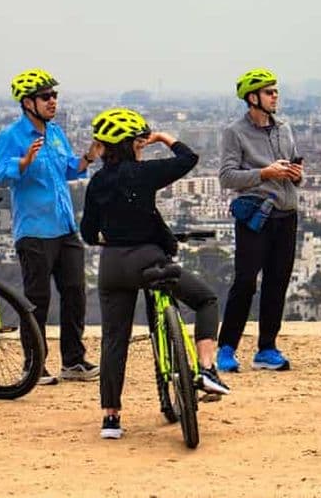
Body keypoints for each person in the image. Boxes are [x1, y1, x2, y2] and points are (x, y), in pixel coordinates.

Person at [80, 107, 229, 440]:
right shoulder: (143, 173)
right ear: (131, 143)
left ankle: (111, 418)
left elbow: (88, 233)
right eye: (139, 141)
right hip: (149, 259)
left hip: (112, 267)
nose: (141, 145)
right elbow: (188, 158)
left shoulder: (97, 183)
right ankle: (207, 370)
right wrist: (162, 137)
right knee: (206, 299)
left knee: (113, 339)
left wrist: (112, 239)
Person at [0, 68, 100, 385]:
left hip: (65, 226)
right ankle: (33, 365)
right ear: (27, 102)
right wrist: (21, 164)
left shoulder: (54, 133)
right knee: (36, 301)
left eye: (54, 95)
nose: (53, 101)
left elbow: (67, 169)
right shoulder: (11, 136)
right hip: (35, 230)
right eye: (45, 96)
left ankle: (73, 361)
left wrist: (88, 158)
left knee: (75, 295)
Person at [217, 68, 302, 373]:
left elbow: (294, 167)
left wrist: (295, 174)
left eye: (275, 91)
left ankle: (267, 347)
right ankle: (226, 347)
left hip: (286, 214)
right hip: (255, 216)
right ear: (252, 98)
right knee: (245, 281)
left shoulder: (285, 128)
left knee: (277, 282)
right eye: (269, 92)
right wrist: (265, 173)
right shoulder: (234, 132)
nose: (275, 96)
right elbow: (227, 177)